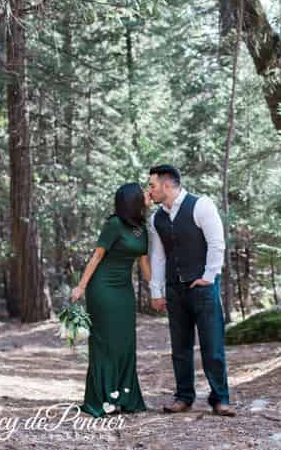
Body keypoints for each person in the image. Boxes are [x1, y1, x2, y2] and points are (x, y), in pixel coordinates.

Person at [146, 164, 234, 417]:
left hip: (203, 288)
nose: (149, 191)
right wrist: (157, 292)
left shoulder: (201, 205)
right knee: (180, 348)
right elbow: (159, 257)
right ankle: (184, 397)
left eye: (152, 186)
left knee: (212, 345)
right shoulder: (157, 218)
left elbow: (217, 243)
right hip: (175, 289)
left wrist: (208, 277)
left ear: (167, 185)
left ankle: (221, 399)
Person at [71, 183, 152, 417]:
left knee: (126, 341)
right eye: (144, 192)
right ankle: (102, 399)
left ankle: (124, 397)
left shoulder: (142, 229)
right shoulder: (114, 224)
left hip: (124, 291)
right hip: (102, 289)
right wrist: (81, 286)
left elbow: (144, 264)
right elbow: (97, 256)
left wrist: (158, 291)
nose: (148, 194)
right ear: (133, 200)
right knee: (105, 343)